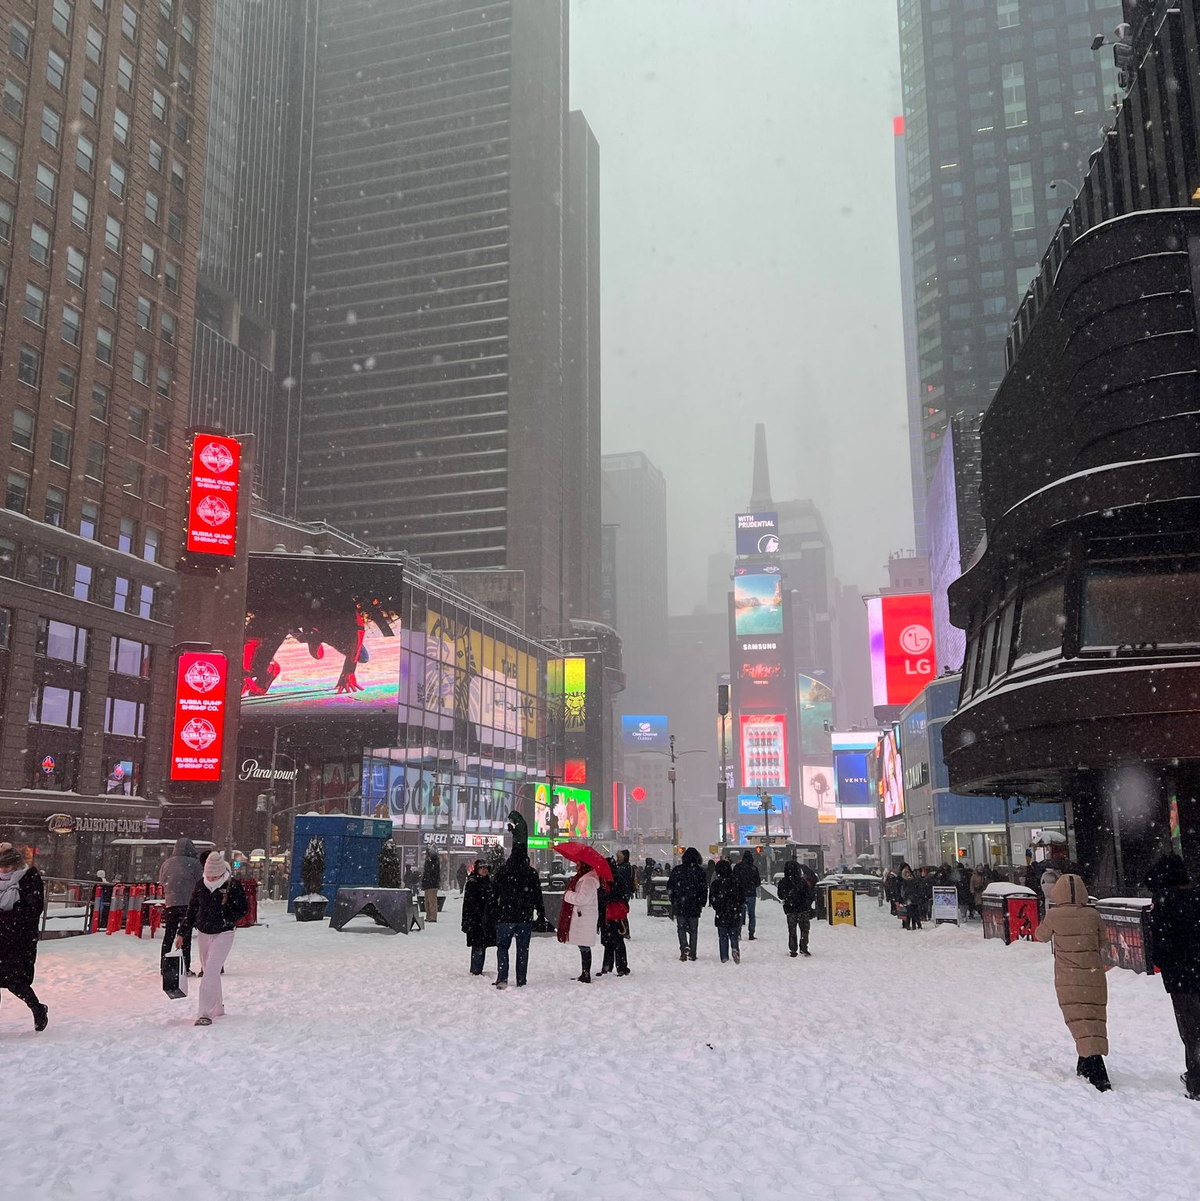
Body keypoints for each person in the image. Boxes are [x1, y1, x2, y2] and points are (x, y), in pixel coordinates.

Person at [1035, 873, 1111, 1091]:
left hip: (1068, 976)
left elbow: (1041, 936)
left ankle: (1096, 1070)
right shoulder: (1092, 914)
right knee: (1093, 1018)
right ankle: (1085, 1062)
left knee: (1077, 1018)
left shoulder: (1054, 915)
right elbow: (1102, 941)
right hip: (1094, 974)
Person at [1146, 854, 1200, 1100]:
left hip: (1182, 978)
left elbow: (1160, 944)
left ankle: (1197, 1081)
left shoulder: (1164, 900)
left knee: (1192, 1030)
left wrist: (1166, 965)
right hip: (1191, 970)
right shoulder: (1196, 896)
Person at [177, 852, 248, 1028]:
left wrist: (228, 920)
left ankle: (204, 1013)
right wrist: (182, 933)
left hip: (224, 933)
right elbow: (192, 909)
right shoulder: (201, 885)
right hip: (204, 932)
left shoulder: (232, 886)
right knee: (210, 971)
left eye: (214, 875)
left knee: (209, 972)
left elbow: (243, 908)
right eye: (208, 874)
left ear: (221, 872)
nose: (210, 878)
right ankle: (217, 1008)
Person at [491, 818, 544, 989]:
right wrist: (540, 912)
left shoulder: (504, 871)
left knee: (503, 947)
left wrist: (494, 910)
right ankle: (521, 979)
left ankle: (502, 977)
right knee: (523, 949)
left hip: (506, 915)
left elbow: (494, 892)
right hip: (524, 916)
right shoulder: (530, 873)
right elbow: (537, 895)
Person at [0, 844, 48, 1032]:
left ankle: (37, 1008)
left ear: (16, 864)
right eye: (1, 866)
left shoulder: (29, 878)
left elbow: (33, 909)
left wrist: (7, 918)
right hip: (1, 936)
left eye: (7, 866)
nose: (4, 870)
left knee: (15, 981)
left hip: (19, 939)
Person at [158, 837, 204, 976]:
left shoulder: (166, 863)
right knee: (185, 935)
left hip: (171, 902)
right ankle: (185, 966)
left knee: (169, 935)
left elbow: (162, 881)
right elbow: (200, 882)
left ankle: (164, 966)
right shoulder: (195, 863)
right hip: (188, 903)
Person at [559, 863, 601, 983]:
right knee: (583, 945)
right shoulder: (585, 877)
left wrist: (568, 895)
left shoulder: (589, 880)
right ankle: (585, 973)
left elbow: (582, 898)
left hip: (584, 917)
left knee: (584, 946)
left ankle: (586, 974)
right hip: (583, 916)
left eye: (579, 864)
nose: (577, 867)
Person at [668, 847, 708, 962]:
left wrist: (673, 900)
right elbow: (704, 889)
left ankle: (684, 946)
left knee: (681, 927)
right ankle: (693, 952)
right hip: (694, 904)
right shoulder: (700, 872)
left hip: (680, 903)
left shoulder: (677, 870)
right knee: (693, 929)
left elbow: (670, 886)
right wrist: (702, 902)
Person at [461, 859, 496, 976]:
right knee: (478, 944)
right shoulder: (473, 883)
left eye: (486, 868)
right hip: (476, 919)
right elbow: (468, 903)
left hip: (485, 919)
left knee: (482, 944)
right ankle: (476, 969)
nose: (485, 870)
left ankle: (477, 968)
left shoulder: (488, 882)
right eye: (482, 868)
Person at [598, 857, 631, 978]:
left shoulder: (611, 879)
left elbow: (617, 895)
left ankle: (615, 966)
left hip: (611, 914)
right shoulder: (607, 879)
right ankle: (614, 966)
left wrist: (605, 897)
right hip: (609, 914)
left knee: (614, 940)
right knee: (611, 941)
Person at [709, 859, 742, 964]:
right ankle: (735, 949)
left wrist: (718, 906)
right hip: (734, 912)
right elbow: (741, 898)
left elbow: (712, 899)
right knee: (734, 934)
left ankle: (724, 956)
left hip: (721, 913)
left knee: (723, 936)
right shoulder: (736, 882)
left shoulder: (716, 884)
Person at [778, 860, 814, 957]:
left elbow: (780, 896)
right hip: (803, 909)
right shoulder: (803, 882)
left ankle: (793, 949)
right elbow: (809, 895)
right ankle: (804, 947)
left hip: (790, 910)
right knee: (804, 929)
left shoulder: (783, 882)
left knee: (792, 930)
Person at [733, 849, 762, 940]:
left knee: (740, 914)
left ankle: (738, 932)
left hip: (740, 893)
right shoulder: (754, 868)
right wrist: (752, 886)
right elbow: (758, 882)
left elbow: (733, 879)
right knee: (751, 914)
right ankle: (751, 933)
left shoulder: (738, 867)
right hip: (751, 894)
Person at [900, 865, 923, 930]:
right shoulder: (912, 881)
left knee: (911, 913)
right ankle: (915, 925)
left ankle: (912, 925)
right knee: (913, 913)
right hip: (912, 898)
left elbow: (905, 891)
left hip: (911, 899)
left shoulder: (907, 882)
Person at [421, 850, 441, 923]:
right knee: (427, 902)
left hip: (432, 884)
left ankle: (432, 917)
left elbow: (431, 872)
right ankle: (428, 916)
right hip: (428, 884)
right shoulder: (430, 863)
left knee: (432, 901)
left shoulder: (434, 863)